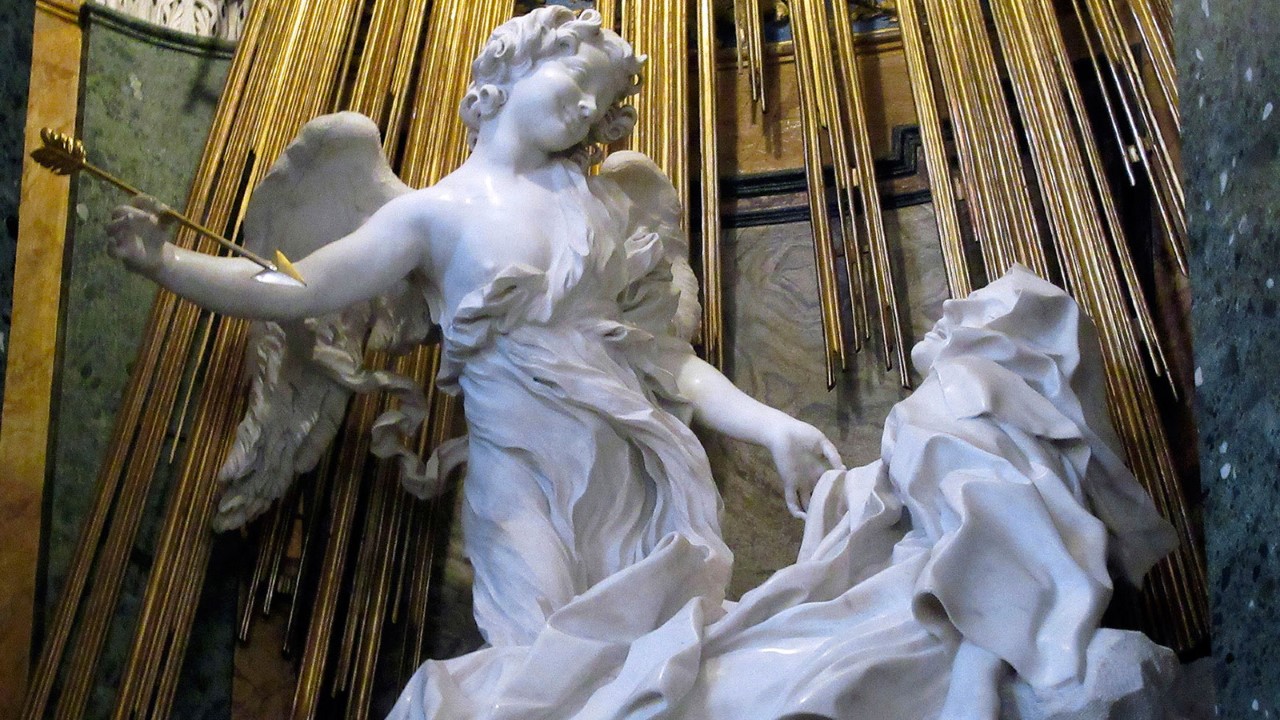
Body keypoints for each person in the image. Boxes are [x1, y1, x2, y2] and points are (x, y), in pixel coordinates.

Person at [107, 4, 841, 654]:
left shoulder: (607, 211)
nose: (588, 108)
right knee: (539, 665)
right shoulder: (428, 215)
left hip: (629, 471)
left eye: (602, 101)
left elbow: (667, 364)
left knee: (648, 667)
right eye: (576, 79)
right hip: (518, 474)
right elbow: (301, 289)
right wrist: (168, 262)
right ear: (511, 67)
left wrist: (773, 427)